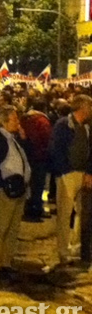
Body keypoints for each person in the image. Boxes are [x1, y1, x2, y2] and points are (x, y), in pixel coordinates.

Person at [0, 105, 31, 278]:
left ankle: (6, 262)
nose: (18, 122)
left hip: (16, 189)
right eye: (15, 119)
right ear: (4, 121)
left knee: (11, 228)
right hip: (3, 190)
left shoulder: (12, 138)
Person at [49, 94, 92, 265]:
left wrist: (89, 172)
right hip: (67, 174)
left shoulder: (87, 126)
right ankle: (63, 250)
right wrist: (64, 171)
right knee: (65, 214)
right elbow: (55, 149)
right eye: (89, 106)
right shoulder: (63, 125)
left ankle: (77, 245)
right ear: (82, 107)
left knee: (84, 212)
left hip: (83, 174)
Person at [21, 98, 53, 222]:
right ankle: (35, 210)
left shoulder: (25, 118)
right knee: (38, 184)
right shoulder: (42, 121)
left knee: (29, 183)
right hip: (39, 157)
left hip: (28, 156)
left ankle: (28, 207)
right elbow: (46, 139)